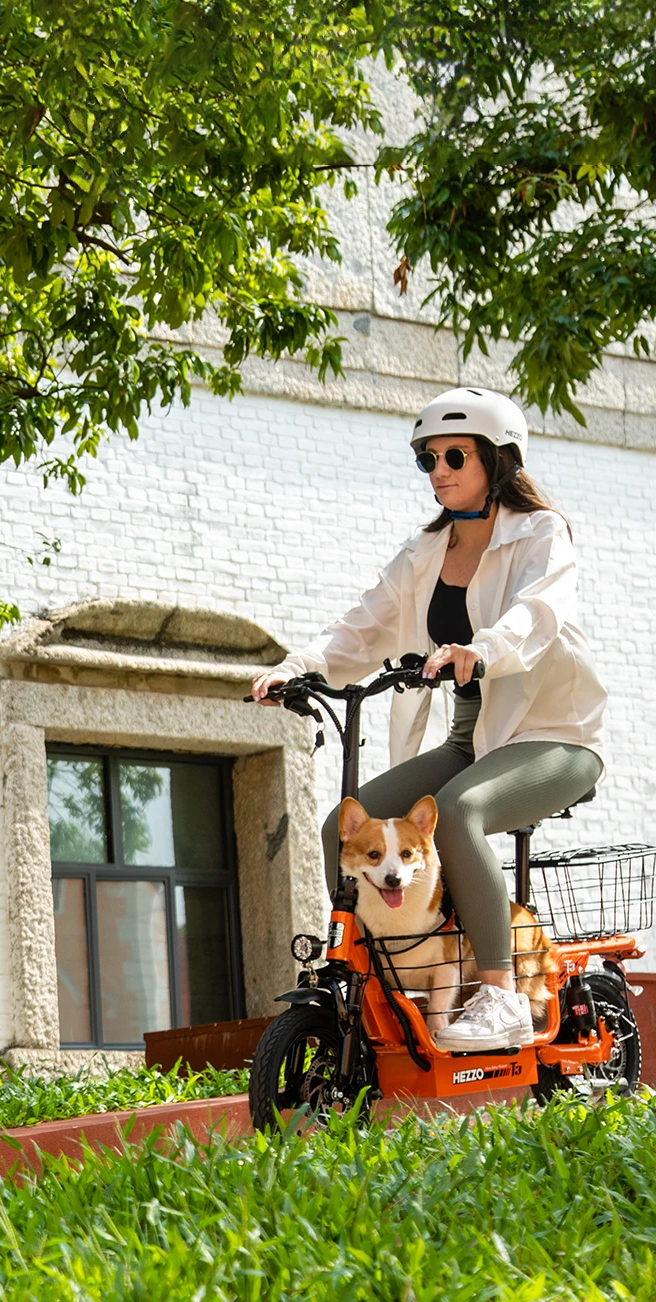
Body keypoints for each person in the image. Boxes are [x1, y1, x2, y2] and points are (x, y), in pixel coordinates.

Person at [251, 387, 605, 1051]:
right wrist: (293, 668)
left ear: (497, 460)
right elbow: (363, 627)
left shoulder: (539, 535)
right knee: (342, 828)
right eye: (428, 460)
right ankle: (401, 963)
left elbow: (538, 613)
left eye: (454, 455)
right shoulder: (425, 552)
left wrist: (484, 649)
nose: (439, 470)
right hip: (474, 738)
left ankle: (498, 993)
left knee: (457, 812)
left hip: (555, 733)